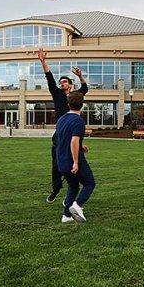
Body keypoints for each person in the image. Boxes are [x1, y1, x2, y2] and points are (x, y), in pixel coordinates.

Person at [38, 48, 88, 203]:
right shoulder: (57, 94)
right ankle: (56, 189)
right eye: (61, 82)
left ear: (70, 85)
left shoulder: (76, 96)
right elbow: (50, 78)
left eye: (65, 81)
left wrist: (80, 76)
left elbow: (85, 88)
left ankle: (73, 189)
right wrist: (43, 62)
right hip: (59, 135)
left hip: (72, 133)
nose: (61, 83)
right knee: (56, 165)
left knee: (75, 162)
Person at [56, 92, 95, 223]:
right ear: (82, 105)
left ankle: (66, 216)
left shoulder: (61, 119)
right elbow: (73, 141)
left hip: (61, 161)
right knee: (90, 183)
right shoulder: (78, 121)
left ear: (68, 104)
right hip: (72, 160)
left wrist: (81, 145)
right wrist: (76, 162)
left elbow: (64, 139)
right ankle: (77, 206)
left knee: (73, 186)